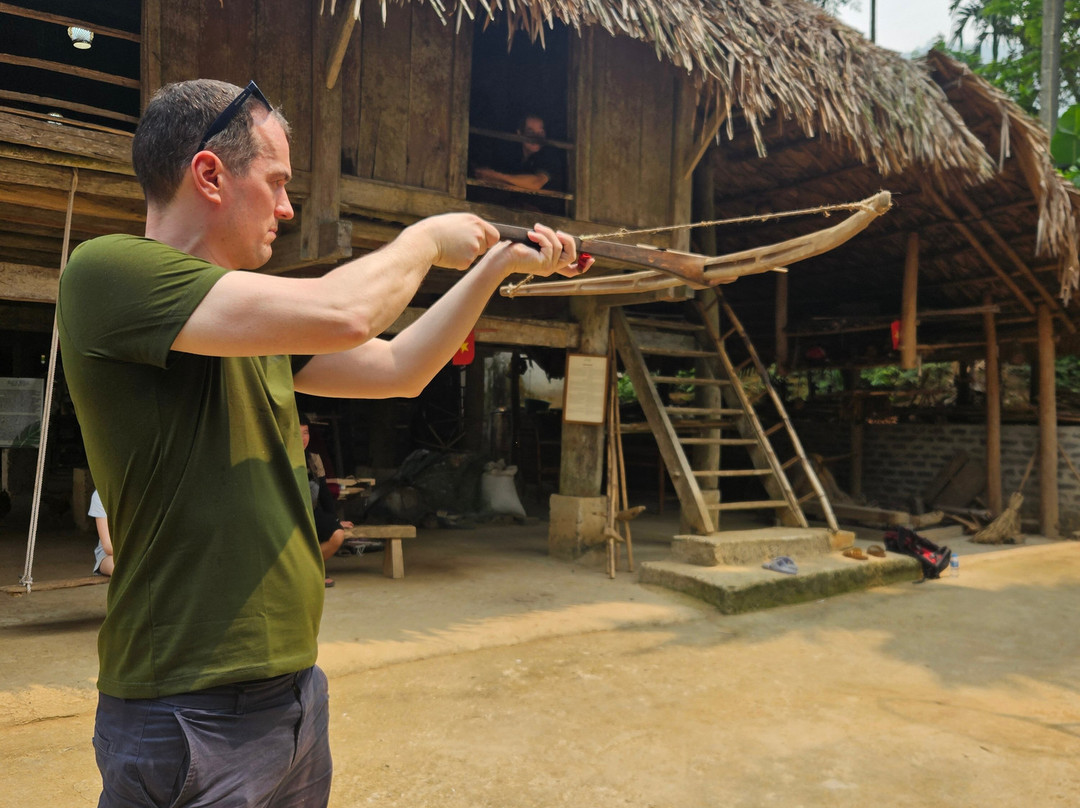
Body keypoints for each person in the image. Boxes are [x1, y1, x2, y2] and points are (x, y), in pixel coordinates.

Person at [56, 78, 592, 808]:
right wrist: (426, 239)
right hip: (186, 709)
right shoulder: (105, 272)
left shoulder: (256, 328)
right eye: (276, 183)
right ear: (210, 175)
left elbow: (400, 369)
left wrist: (492, 268)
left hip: (293, 696)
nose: (287, 207)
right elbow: (347, 313)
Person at [299, 413, 353, 587]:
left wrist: (335, 519)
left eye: (305, 433)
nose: (302, 438)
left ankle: (311, 571)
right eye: (297, 434)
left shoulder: (314, 459)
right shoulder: (281, 460)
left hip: (313, 512)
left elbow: (323, 493)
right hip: (289, 515)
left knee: (337, 534)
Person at [471, 114, 565, 214]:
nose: (536, 137)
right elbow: (482, 175)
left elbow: (536, 183)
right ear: (519, 134)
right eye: (530, 132)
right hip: (514, 207)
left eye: (541, 132)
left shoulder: (550, 155)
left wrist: (495, 175)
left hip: (546, 212)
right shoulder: (511, 153)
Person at [88, 489, 114, 577]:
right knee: (121, 569)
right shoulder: (100, 495)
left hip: (145, 550)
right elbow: (108, 546)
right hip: (111, 554)